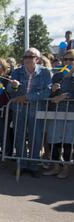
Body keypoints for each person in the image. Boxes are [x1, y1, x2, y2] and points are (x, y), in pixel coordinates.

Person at [7, 48, 52, 178]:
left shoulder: (45, 72)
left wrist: (27, 97)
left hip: (36, 109)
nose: (26, 59)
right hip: (19, 109)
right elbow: (10, 90)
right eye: (25, 56)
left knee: (36, 138)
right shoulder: (16, 72)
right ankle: (21, 165)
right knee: (19, 137)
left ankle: (33, 166)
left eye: (30, 56)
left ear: (37, 59)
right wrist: (14, 86)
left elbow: (47, 91)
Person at [43, 49, 74, 179]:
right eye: (65, 59)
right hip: (55, 112)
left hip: (70, 112)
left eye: (70, 60)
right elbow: (49, 92)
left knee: (67, 142)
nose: (67, 62)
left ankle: (66, 168)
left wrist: (67, 95)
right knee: (54, 140)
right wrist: (53, 90)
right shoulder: (57, 74)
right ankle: (55, 167)